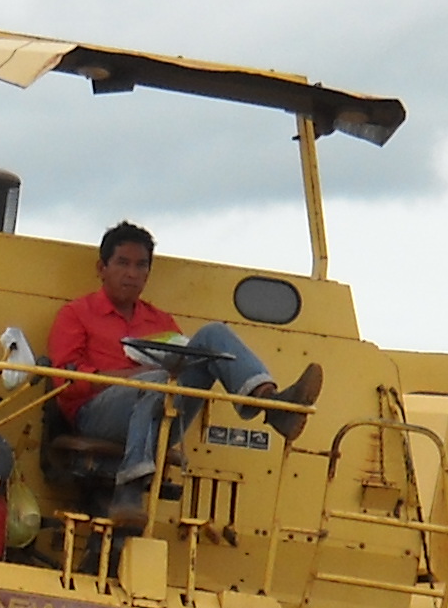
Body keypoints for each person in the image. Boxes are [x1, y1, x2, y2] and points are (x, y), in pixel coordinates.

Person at [47, 222, 322, 526]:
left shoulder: (161, 322)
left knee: (213, 335)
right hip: (96, 415)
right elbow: (63, 380)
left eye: (141, 266)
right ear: (102, 267)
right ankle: (130, 486)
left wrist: (162, 374)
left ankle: (271, 404)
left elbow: (181, 369)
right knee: (155, 381)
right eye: (123, 263)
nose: (132, 273)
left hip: (162, 413)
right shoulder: (76, 314)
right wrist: (129, 376)